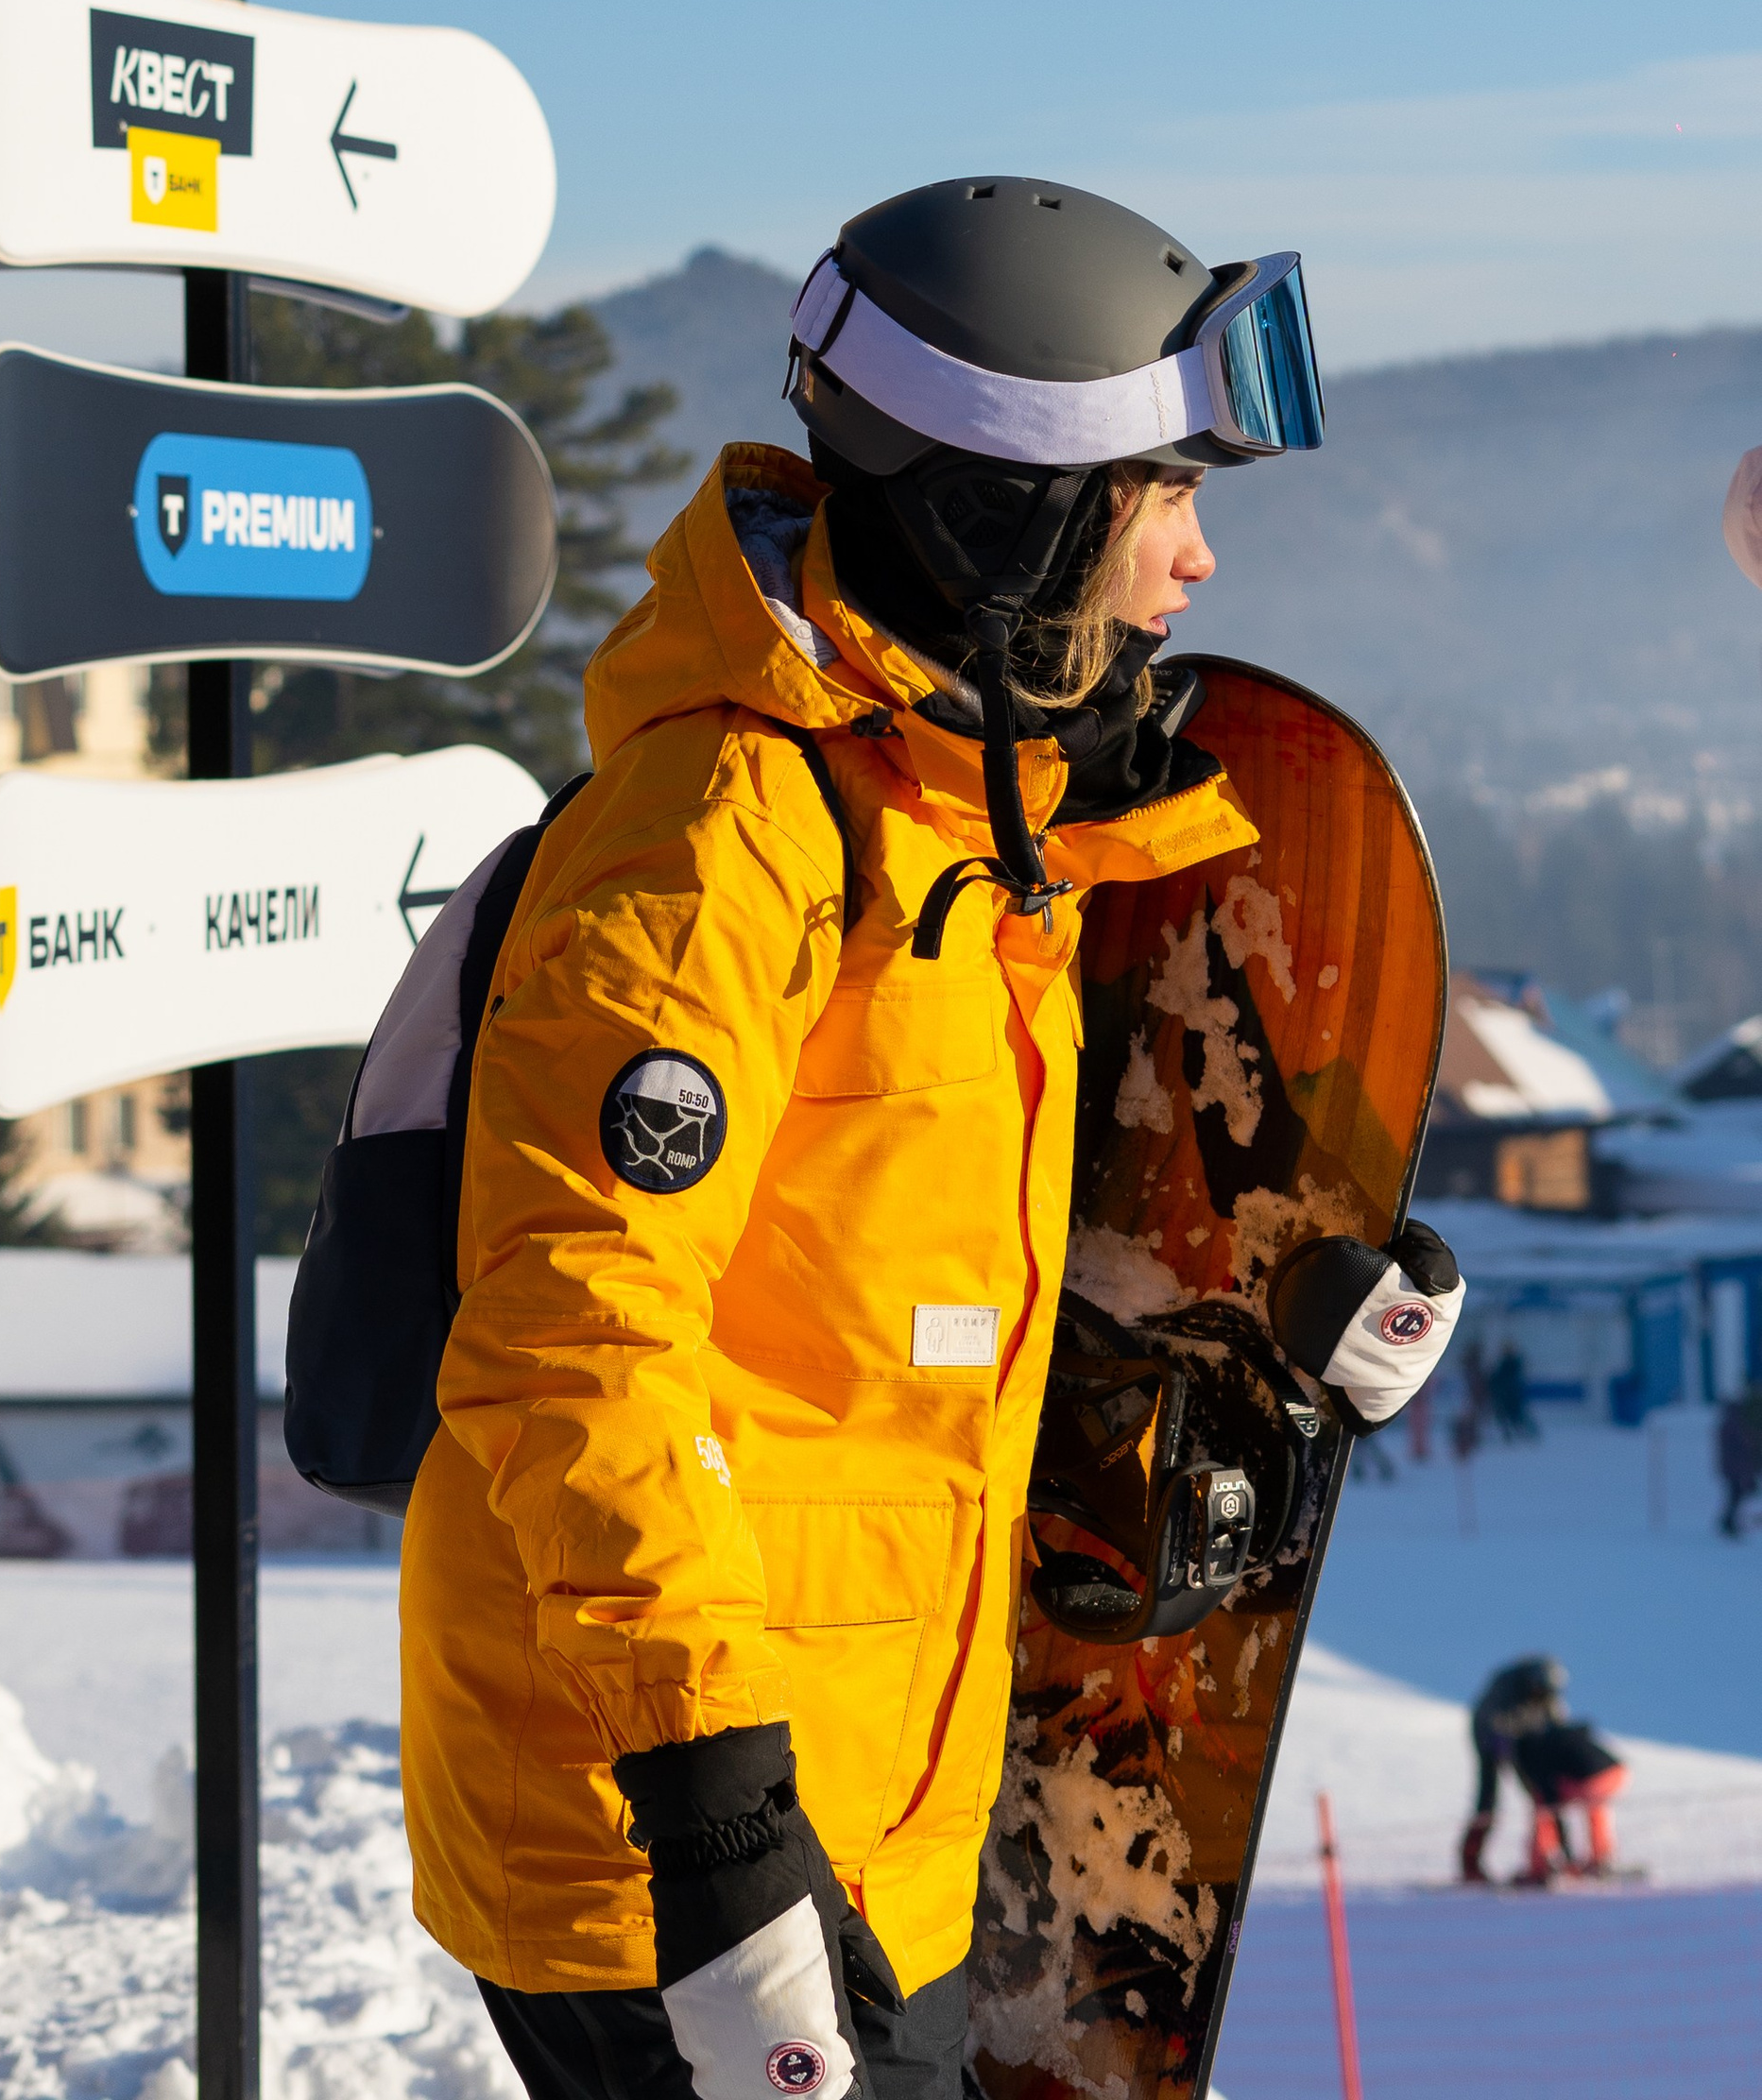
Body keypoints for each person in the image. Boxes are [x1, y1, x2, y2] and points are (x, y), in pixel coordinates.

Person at [398, 180, 1466, 2100]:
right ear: (1011, 519)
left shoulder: (970, 834)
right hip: (672, 1843)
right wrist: (719, 1826)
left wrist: (1254, 1336)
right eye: (1166, 505)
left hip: (878, 1793)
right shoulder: (714, 841)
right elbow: (570, 1344)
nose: (1199, 567)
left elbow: (897, 1323)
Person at [1459, 1655, 1566, 1883]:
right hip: (1489, 1740)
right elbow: (1492, 1725)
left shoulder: (1546, 1691)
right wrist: (1512, 1755)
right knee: (1488, 1801)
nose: (1541, 1696)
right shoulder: (1506, 1689)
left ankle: (1560, 1857)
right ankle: (1470, 1865)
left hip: (1520, 1741)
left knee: (1544, 1796)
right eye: (1539, 1691)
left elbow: (1557, 1724)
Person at [1513, 1713, 1632, 1884]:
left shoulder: (1535, 1752)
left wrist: (1565, 1856)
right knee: (1595, 1807)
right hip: (1617, 1771)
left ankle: (1539, 1867)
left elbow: (1550, 1802)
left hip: (1593, 1778)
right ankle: (1600, 1859)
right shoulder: (1554, 1738)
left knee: (1543, 1809)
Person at [1716, 1386, 1762, 1537]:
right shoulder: (1734, 1421)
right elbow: (1745, 1441)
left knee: (1738, 1494)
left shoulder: (1732, 1420)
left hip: (1736, 1465)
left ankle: (1731, 1522)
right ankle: (1729, 1522)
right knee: (1737, 1494)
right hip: (1736, 1466)